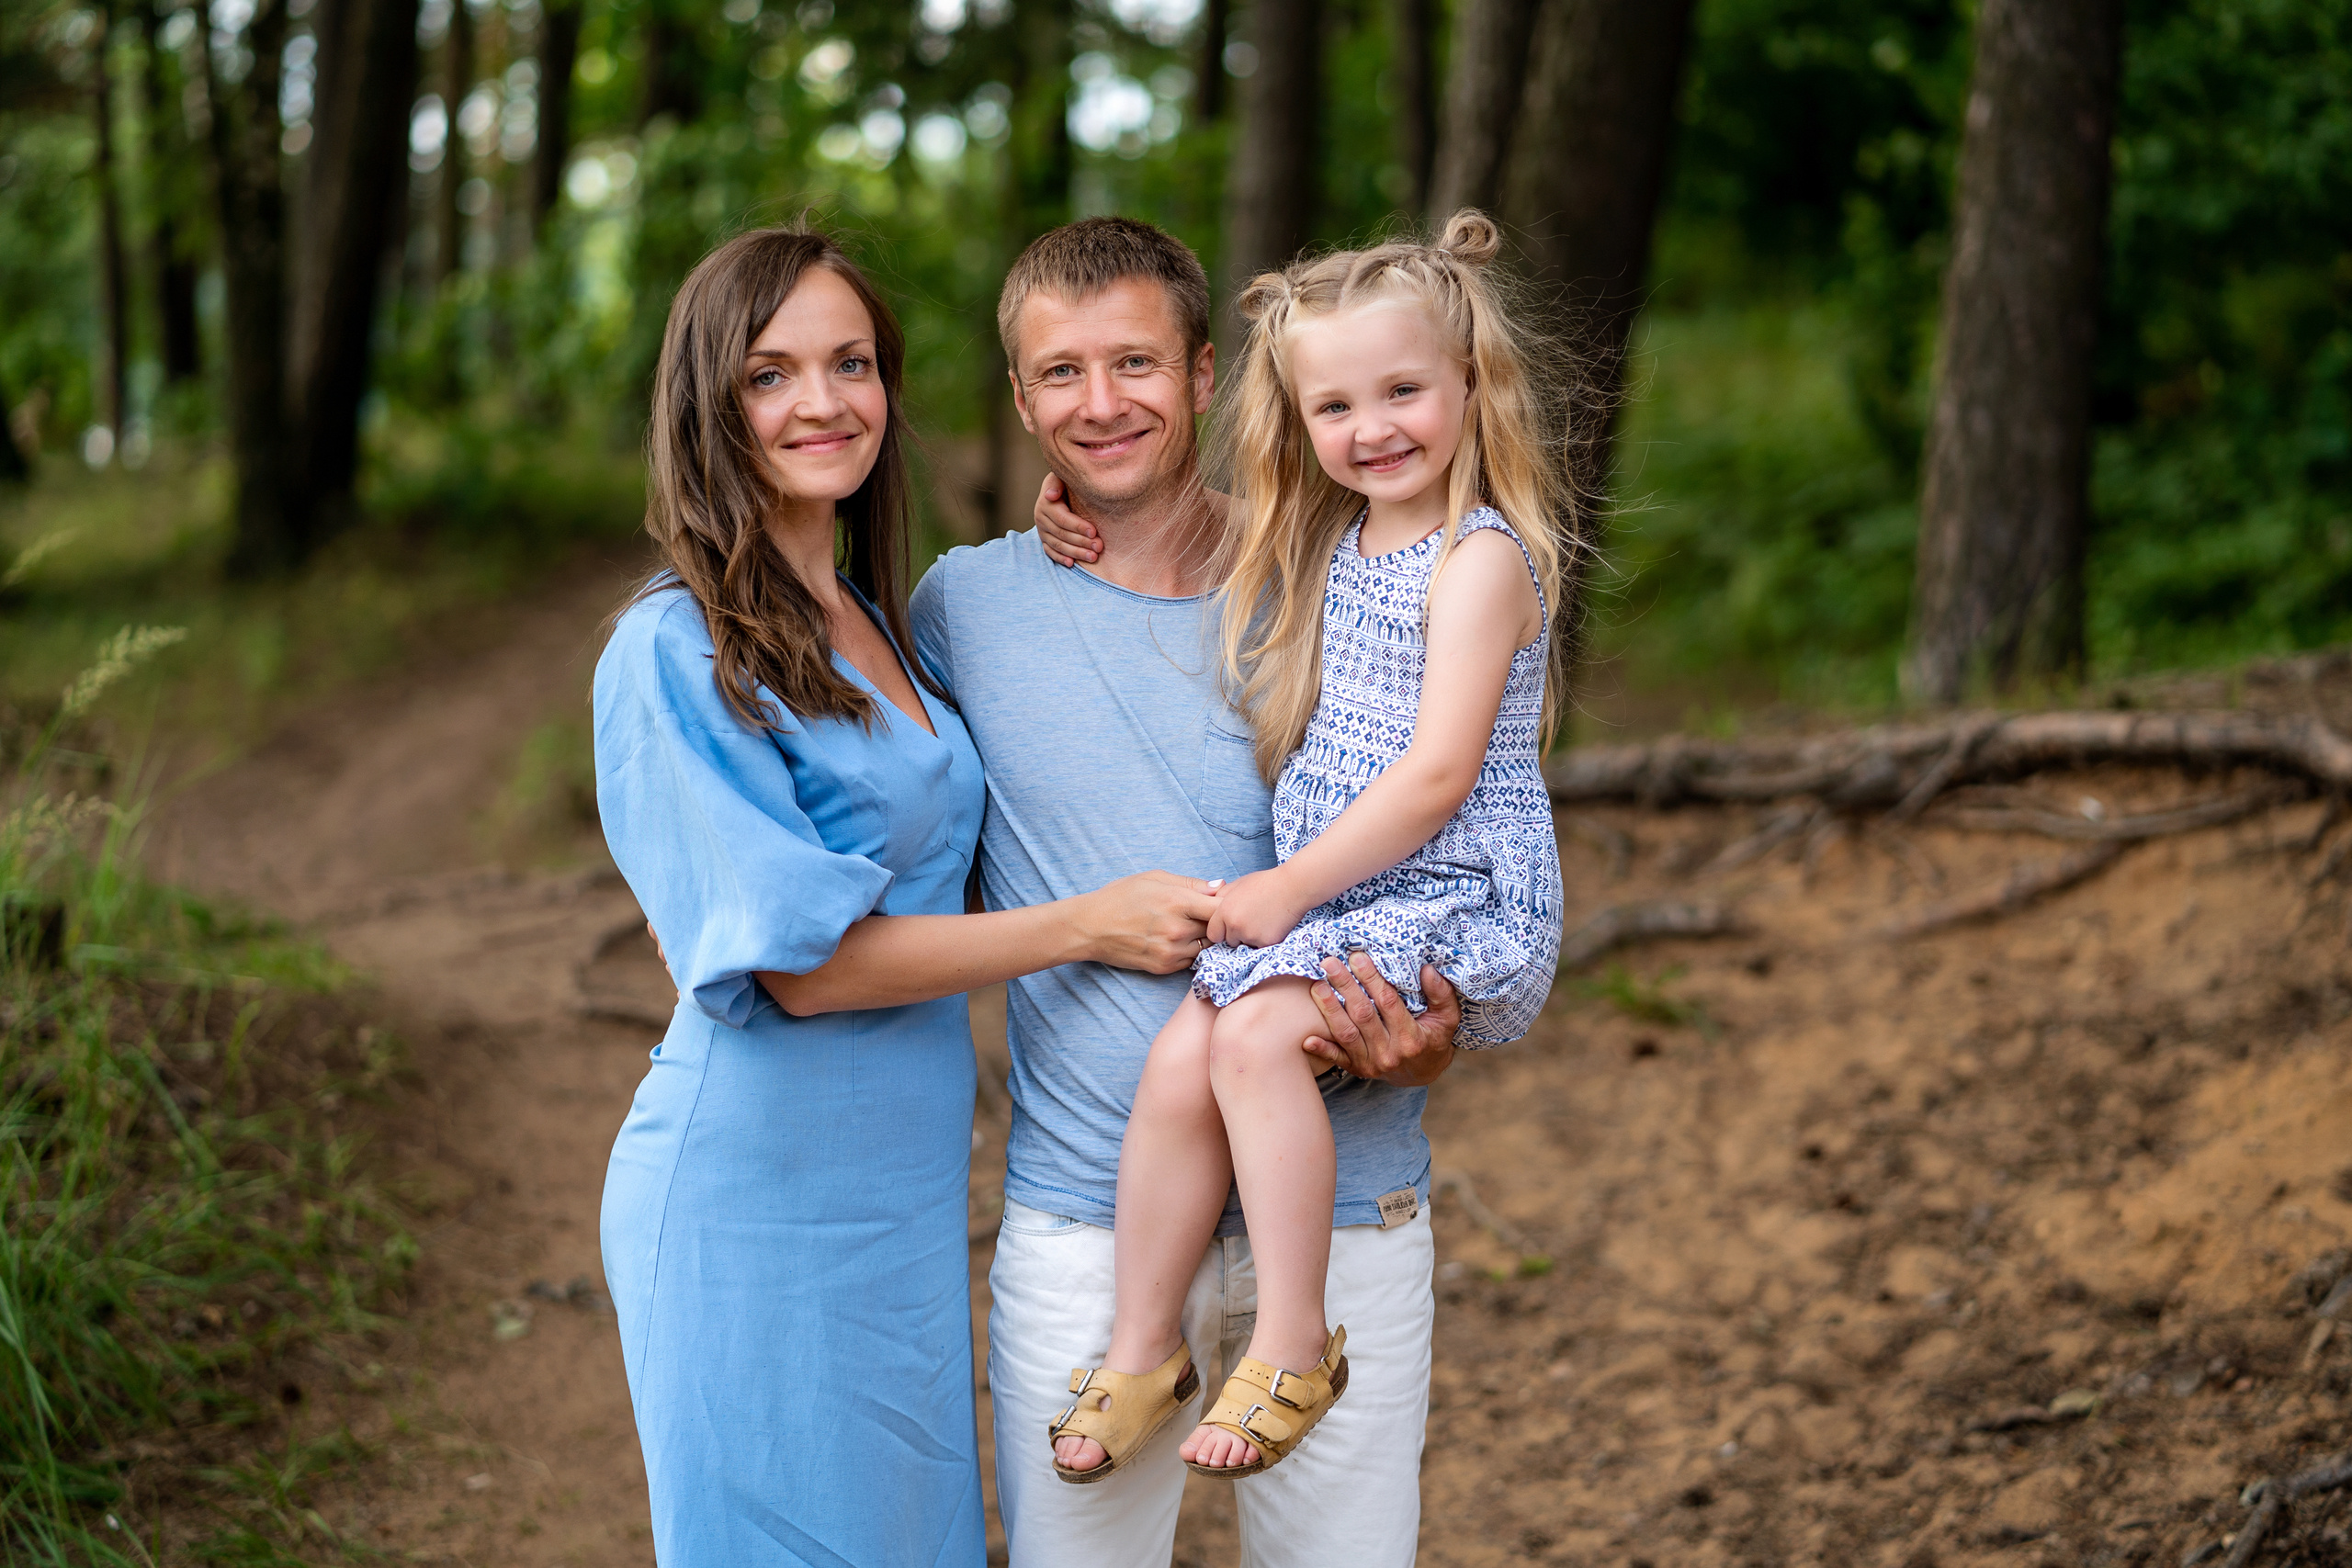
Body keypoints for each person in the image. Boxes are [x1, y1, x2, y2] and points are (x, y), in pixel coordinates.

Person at [592, 224, 1219, 1565]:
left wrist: (1080, 516)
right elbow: (800, 967)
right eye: (770, 374)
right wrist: (1085, 925)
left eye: (852, 363)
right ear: (708, 402)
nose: (823, 402)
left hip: (904, 1196)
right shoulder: (672, 645)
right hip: (758, 1186)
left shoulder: (880, 617)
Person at [909, 216, 1475, 1568]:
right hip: (1084, 1225)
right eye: (1061, 372)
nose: (1100, 404)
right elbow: (890, 853)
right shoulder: (961, 612)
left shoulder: (1342, 580)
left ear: (1208, 374)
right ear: (1021, 398)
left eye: (1137, 363)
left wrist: (1435, 1032)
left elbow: (1451, 832)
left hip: (1346, 1212)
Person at [1035, 209, 1573, 1484]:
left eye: (1402, 392)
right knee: (1184, 1059)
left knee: (1253, 1039)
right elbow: (1196, 520)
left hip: (1446, 888)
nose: (1371, 428)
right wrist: (1066, 503)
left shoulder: (1478, 559)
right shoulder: (1331, 537)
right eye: (1335, 405)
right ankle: (1144, 1349)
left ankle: (1291, 1339)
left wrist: (1286, 889)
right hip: (1353, 896)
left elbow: (1438, 776)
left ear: (1472, 384)